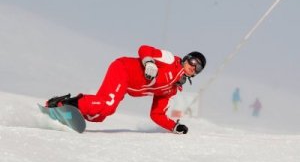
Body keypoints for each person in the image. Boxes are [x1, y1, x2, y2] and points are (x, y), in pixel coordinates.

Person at [46, 45, 206, 134]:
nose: (193, 67)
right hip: (123, 69)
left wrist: (173, 126)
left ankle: (69, 112)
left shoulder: (171, 90)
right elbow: (145, 49)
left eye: (198, 67)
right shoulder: (170, 59)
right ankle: (60, 105)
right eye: (192, 61)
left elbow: (156, 114)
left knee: (101, 114)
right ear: (186, 59)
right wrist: (149, 62)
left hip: (125, 86)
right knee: (106, 105)